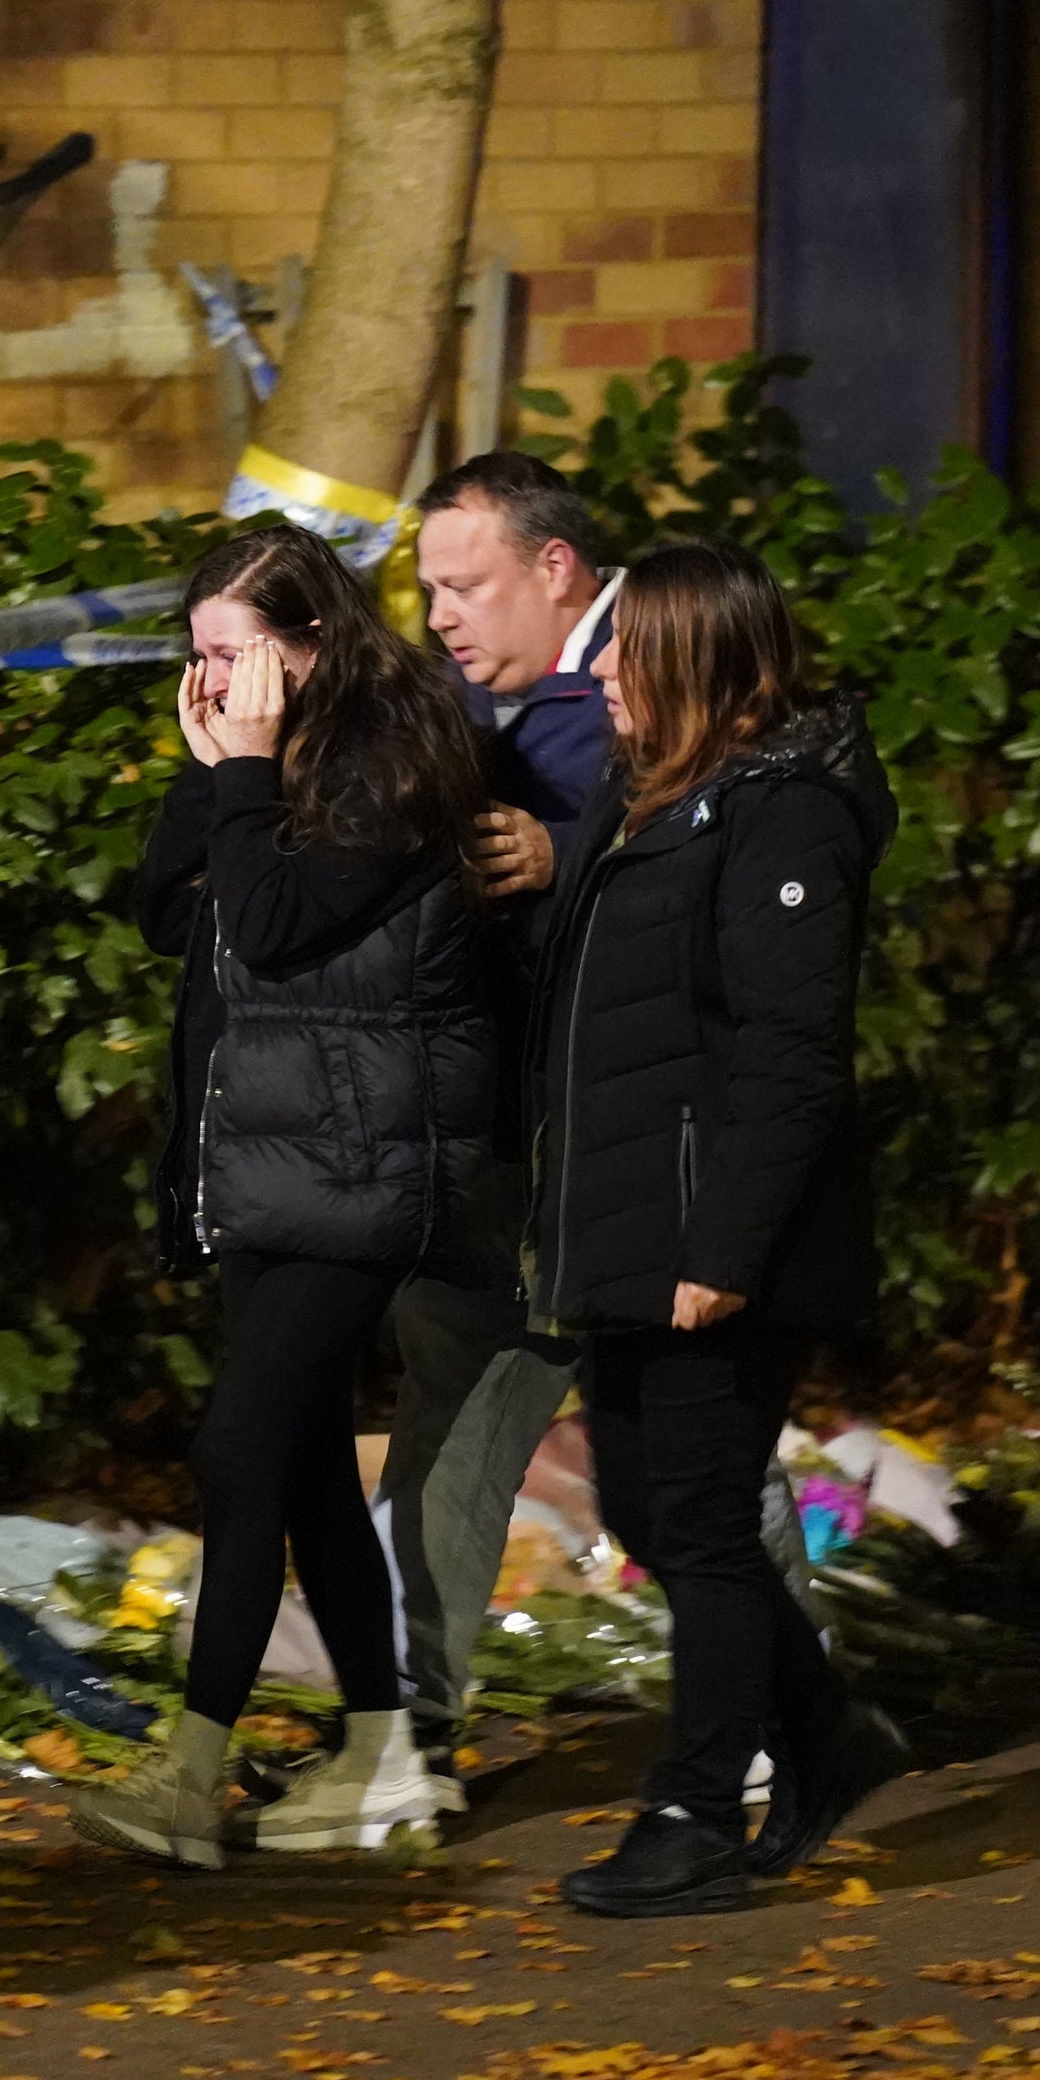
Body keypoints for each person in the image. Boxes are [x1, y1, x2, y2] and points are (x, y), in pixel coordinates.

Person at [70, 523, 496, 1868]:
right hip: (269, 1160)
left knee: (241, 1450)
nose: (207, 682)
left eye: (229, 655)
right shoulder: (266, 759)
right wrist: (213, 776)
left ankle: (194, 1774)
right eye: (193, 658)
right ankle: (383, 1753)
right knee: (305, 1464)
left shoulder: (400, 756)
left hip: (364, 1165)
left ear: (312, 640)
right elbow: (163, 908)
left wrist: (245, 776)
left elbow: (266, 921)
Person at [386, 452, 806, 1799]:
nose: (442, 615)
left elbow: (718, 879)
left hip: (633, 1149)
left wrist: (565, 861)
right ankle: (409, 1724)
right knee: (461, 1406)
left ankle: (777, 1709)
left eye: (464, 585)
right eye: (427, 590)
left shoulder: (666, 665)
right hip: (507, 1144)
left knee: (679, 1443)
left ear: (553, 568)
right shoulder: (475, 697)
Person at [523, 538, 909, 1920]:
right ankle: (826, 1731)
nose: (603, 670)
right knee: (647, 1502)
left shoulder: (782, 814)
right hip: (634, 1233)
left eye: (628, 647)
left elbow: (792, 1052)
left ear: (699, 657)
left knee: (693, 1514)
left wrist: (721, 1253)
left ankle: (695, 1806)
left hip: (714, 1247)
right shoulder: (654, 803)